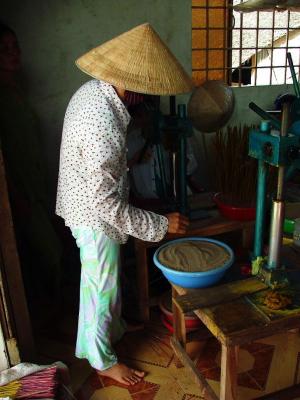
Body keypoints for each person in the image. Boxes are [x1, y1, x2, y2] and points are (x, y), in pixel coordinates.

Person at [56, 23, 192, 386]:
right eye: (145, 91)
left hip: (83, 197)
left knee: (101, 281)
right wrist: (161, 225)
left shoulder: (96, 90)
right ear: (131, 84)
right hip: (91, 212)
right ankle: (102, 361)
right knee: (102, 284)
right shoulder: (102, 120)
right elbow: (106, 205)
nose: (147, 99)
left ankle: (109, 330)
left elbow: (103, 168)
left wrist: (121, 165)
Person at [0, 23, 62, 303]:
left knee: (45, 252)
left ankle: (51, 314)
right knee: (50, 255)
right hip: (19, 193)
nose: (14, 54)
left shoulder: (15, 91)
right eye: (4, 50)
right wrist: (15, 197)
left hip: (35, 188)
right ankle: (53, 317)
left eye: (15, 47)